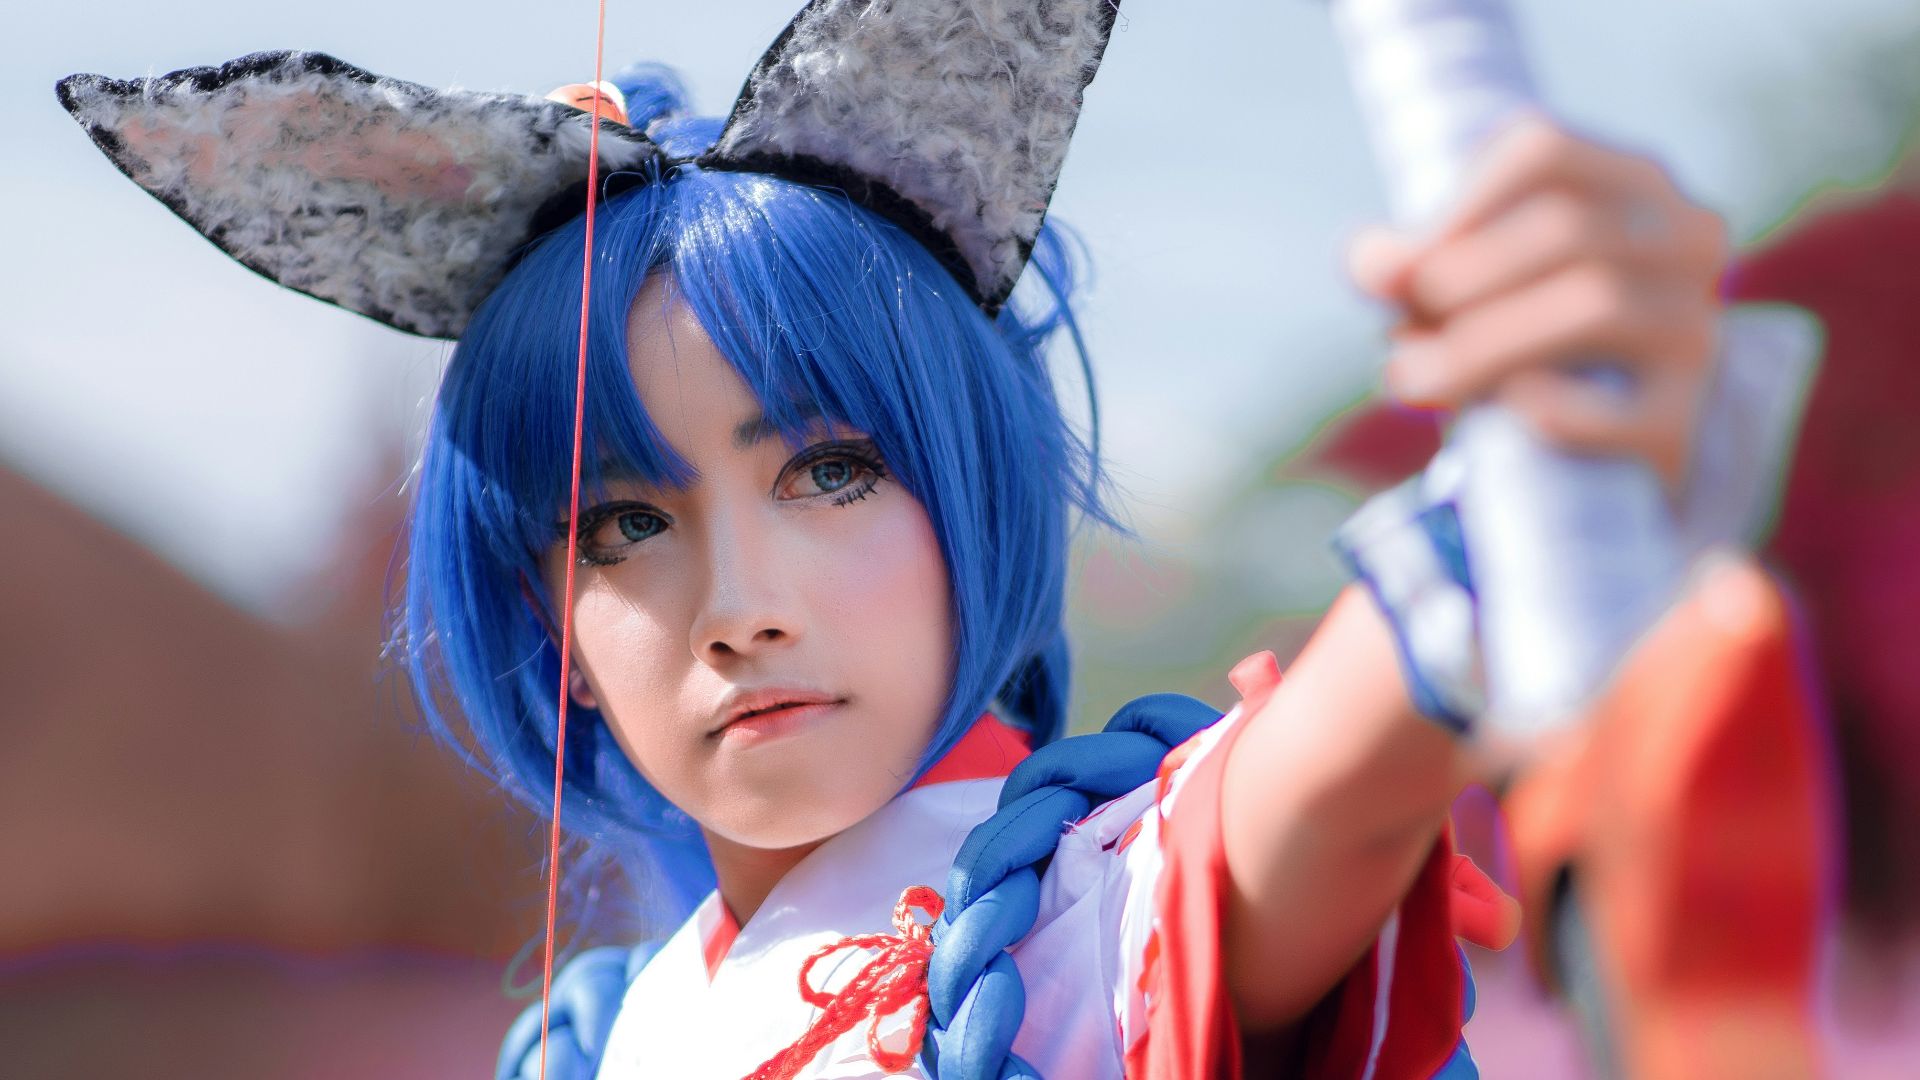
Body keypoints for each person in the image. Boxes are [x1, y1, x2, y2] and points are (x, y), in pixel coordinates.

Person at [56, 2, 1729, 1075]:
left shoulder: (1090, 909)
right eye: (625, 522)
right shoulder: (603, 1041)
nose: (738, 609)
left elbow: (1342, 774)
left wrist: (1547, 443)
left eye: (833, 472)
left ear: (969, 483)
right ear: (546, 610)